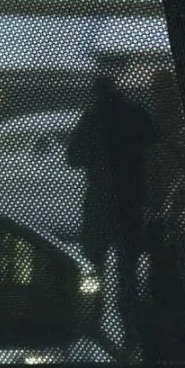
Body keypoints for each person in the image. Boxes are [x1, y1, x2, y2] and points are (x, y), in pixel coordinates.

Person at [67, 71, 159, 333]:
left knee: (95, 260)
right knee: (129, 265)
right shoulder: (136, 112)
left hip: (102, 199)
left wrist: (98, 157)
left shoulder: (93, 117)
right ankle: (133, 322)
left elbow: (72, 157)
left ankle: (94, 320)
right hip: (132, 197)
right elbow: (157, 140)